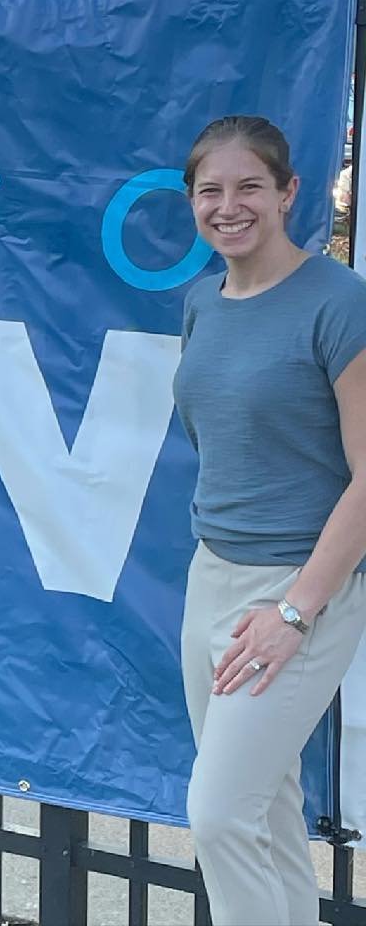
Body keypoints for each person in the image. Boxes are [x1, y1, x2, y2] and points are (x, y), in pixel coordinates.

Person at [174, 115, 366, 924]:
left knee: (219, 816)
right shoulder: (201, 302)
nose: (229, 207)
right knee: (265, 809)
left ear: (289, 193)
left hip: (298, 590)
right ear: (192, 201)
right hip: (211, 578)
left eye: (250, 186)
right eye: (210, 191)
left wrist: (294, 611)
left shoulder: (339, 302)